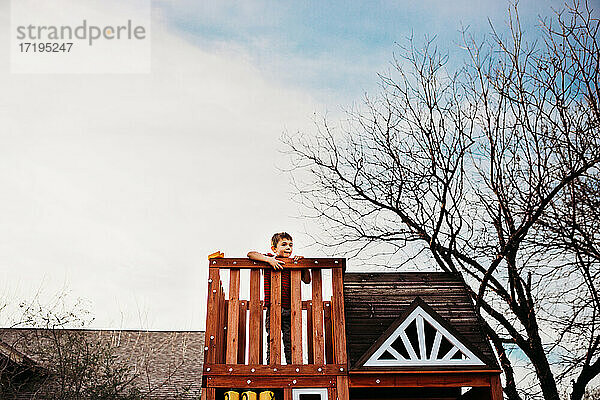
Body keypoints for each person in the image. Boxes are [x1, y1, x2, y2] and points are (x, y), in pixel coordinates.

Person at [247, 232, 311, 364]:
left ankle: (291, 364)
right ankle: (272, 363)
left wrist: (304, 265)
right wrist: (269, 260)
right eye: (284, 244)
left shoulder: (294, 263)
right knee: (273, 338)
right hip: (273, 307)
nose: (288, 247)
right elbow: (250, 254)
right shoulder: (270, 259)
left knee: (290, 339)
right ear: (274, 249)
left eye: (291, 245)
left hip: (290, 309)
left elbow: (307, 280)